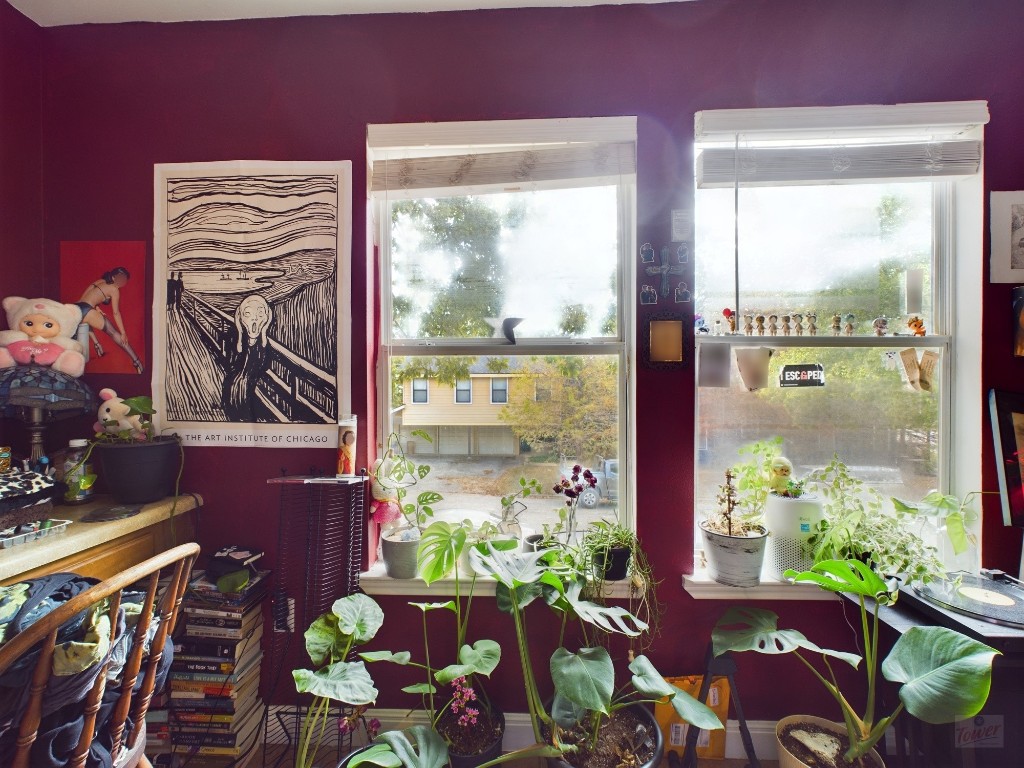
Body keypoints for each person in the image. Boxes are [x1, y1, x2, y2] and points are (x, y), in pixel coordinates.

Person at [76, 266, 143, 373]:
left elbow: (88, 295)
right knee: (114, 333)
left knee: (88, 320)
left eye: (124, 279)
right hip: (87, 310)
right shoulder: (114, 289)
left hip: (77, 308)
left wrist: (95, 307)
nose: (122, 281)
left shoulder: (101, 281)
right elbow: (116, 313)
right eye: (120, 278)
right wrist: (123, 332)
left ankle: (97, 345)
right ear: (113, 277)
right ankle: (137, 361)